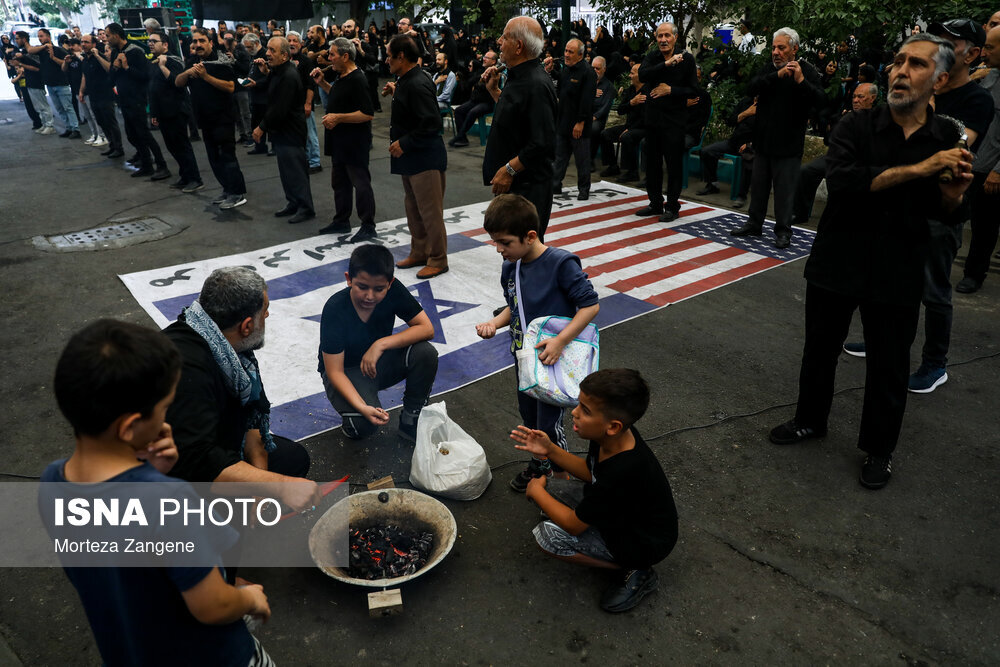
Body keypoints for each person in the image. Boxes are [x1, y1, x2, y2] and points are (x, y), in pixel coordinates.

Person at [768, 34, 973, 489]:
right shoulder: (855, 126)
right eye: (897, 61)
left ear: (938, 80)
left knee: (890, 363)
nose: (900, 70)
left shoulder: (945, 138)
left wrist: (953, 196)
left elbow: (948, 213)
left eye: (916, 64)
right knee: (820, 349)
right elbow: (843, 183)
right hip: (837, 260)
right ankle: (809, 419)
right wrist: (921, 171)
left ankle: (879, 449)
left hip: (899, 265)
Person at [44, 319, 275, 665]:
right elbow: (212, 606)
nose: (168, 422)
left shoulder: (53, 481)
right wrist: (249, 599)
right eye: (166, 407)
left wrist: (148, 473)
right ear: (129, 427)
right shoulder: (169, 502)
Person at [510, 368, 677, 612]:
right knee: (552, 490)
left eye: (585, 411)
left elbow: (573, 525)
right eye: (578, 404)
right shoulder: (614, 438)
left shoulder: (624, 470)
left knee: (548, 536)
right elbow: (591, 472)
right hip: (621, 512)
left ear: (613, 426)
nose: (574, 413)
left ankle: (635, 569)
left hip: (641, 543)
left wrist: (536, 491)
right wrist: (549, 448)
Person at [163, 268, 320, 514]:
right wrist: (277, 487)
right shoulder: (187, 370)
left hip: (219, 441)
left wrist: (260, 485)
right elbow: (198, 461)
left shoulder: (227, 347)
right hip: (174, 474)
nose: (267, 314)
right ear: (247, 325)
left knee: (293, 459)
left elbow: (251, 418)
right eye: (264, 310)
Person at [474, 194, 600, 492]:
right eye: (495, 242)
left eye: (504, 242)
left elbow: (590, 306)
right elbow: (513, 307)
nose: (499, 249)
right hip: (525, 358)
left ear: (530, 236)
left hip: (553, 360)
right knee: (529, 416)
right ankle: (541, 463)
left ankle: (560, 480)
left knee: (548, 424)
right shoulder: (512, 266)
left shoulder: (561, 263)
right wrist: (494, 322)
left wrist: (559, 341)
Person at [318, 244, 439, 441]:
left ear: (390, 283)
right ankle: (354, 418)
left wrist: (380, 344)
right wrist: (362, 407)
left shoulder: (394, 290)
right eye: (362, 287)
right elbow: (334, 371)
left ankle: (411, 417)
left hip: (377, 362)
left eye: (379, 289)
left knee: (425, 352)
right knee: (363, 425)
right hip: (345, 370)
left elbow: (426, 328)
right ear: (349, 279)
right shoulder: (335, 309)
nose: (370, 296)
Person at [730, 27, 825, 248]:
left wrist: (801, 81)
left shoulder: (807, 71)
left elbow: (820, 101)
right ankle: (754, 224)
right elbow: (750, 88)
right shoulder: (768, 70)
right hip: (763, 142)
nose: (776, 52)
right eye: (773, 48)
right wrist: (776, 75)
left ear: (794, 49)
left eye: (781, 48)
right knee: (759, 187)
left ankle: (783, 231)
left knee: (784, 192)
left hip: (789, 145)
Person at [482, 16, 557, 240]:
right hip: (515, 184)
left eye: (504, 37)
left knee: (524, 247)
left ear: (519, 46)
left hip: (528, 186)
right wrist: (494, 91)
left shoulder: (535, 83)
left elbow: (542, 141)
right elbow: (517, 119)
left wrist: (509, 170)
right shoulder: (517, 77)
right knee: (511, 246)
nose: (499, 42)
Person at [383, 34, 450, 279]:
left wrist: (405, 142)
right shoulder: (406, 80)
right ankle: (420, 251)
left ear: (402, 56)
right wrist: (395, 92)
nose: (386, 60)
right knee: (413, 208)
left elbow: (432, 123)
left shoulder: (417, 83)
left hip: (425, 159)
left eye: (390, 56)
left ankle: (438, 258)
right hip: (412, 159)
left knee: (430, 213)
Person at [176, 28, 249, 210]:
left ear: (210, 42)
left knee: (227, 156)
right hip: (204, 118)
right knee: (213, 157)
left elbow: (231, 87)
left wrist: (205, 76)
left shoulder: (221, 60)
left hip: (222, 117)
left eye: (202, 41)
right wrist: (188, 73)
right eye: (195, 41)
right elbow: (178, 82)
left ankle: (237, 193)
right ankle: (227, 189)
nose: (197, 45)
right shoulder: (193, 61)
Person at [312, 37, 376, 241]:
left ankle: (368, 224)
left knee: (360, 183)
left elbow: (367, 113)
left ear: (345, 56)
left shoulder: (358, 79)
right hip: (339, 140)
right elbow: (339, 95)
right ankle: (342, 220)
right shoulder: (342, 76)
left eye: (332, 55)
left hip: (354, 141)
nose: (328, 59)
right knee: (340, 183)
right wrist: (321, 82)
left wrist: (338, 117)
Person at [636, 22, 697, 222]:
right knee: (652, 165)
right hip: (653, 120)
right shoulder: (652, 57)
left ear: (675, 37)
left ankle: (672, 206)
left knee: (673, 166)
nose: (663, 40)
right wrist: (666, 64)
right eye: (660, 36)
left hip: (674, 121)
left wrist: (671, 90)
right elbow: (643, 75)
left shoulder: (686, 59)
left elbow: (694, 90)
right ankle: (655, 204)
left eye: (667, 36)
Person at [792, 82, 877, 225]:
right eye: (854, 97)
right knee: (806, 171)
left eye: (861, 97)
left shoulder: (877, 119)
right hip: (835, 157)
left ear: (872, 98)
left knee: (842, 178)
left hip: (858, 162)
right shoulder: (845, 116)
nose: (856, 100)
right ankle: (800, 213)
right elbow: (829, 140)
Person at [957, 24, 1000, 294]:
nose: (984, 52)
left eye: (991, 48)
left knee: (985, 225)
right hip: (966, 161)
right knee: (953, 215)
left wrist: (998, 170)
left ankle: (974, 273)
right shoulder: (983, 75)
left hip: (990, 169)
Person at [253, 36, 315, 224]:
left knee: (295, 171)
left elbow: (280, 108)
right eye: (268, 49)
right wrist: (264, 73)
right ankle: (293, 202)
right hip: (281, 131)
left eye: (272, 51)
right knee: (286, 171)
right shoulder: (278, 70)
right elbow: (270, 87)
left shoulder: (289, 75)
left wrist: (261, 127)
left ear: (285, 55)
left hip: (291, 131)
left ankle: (305, 207)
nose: (267, 54)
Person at [104, 23, 171, 180]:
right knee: (132, 135)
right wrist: (114, 67)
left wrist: (127, 67)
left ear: (116, 34)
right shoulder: (115, 53)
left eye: (108, 35)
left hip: (137, 100)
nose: (106, 39)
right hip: (124, 100)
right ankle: (146, 164)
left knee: (144, 134)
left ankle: (162, 165)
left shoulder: (135, 51)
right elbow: (111, 80)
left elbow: (145, 77)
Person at [148, 31, 203, 193]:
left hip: (176, 111)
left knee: (182, 146)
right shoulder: (154, 61)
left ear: (165, 44)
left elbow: (178, 82)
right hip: (163, 112)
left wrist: (163, 66)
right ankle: (185, 175)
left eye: (154, 41)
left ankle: (195, 178)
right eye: (149, 41)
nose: (150, 43)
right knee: (172, 147)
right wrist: (154, 113)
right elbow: (153, 90)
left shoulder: (173, 60)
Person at [549, 38, 597, 200]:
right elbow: (561, 90)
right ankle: (555, 186)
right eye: (566, 51)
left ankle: (584, 190)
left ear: (580, 55)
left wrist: (581, 122)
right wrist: (551, 71)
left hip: (579, 124)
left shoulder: (588, 72)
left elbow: (587, 100)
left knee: (582, 160)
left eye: (571, 52)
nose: (567, 54)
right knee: (560, 157)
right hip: (563, 122)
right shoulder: (566, 69)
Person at [694, 94, 757, 206]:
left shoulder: (769, 107)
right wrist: (746, 113)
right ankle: (713, 185)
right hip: (734, 142)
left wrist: (750, 144)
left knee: (748, 157)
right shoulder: (745, 102)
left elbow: (769, 132)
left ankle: (741, 196)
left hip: (751, 145)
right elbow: (730, 121)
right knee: (707, 151)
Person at [24, 27, 81, 137]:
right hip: (50, 84)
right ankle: (68, 127)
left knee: (67, 107)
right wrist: (44, 46)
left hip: (61, 84)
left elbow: (65, 64)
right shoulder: (41, 51)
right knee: (59, 108)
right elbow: (30, 50)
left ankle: (75, 129)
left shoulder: (58, 50)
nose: (40, 38)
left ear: (48, 36)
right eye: (38, 36)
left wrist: (53, 57)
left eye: (42, 36)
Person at [599, 63, 648, 182]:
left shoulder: (648, 91)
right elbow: (620, 110)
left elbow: (646, 117)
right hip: (629, 126)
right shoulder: (630, 90)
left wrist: (630, 129)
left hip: (644, 127)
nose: (630, 76)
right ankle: (613, 166)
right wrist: (632, 103)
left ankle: (632, 172)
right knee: (605, 134)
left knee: (627, 137)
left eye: (632, 73)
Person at [79, 32, 122, 156]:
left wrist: (97, 55)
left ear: (93, 44)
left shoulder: (100, 56)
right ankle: (112, 145)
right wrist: (81, 91)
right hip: (93, 96)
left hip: (105, 95)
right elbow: (84, 76)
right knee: (101, 122)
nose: (83, 44)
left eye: (86, 42)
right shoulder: (85, 60)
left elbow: (110, 69)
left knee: (110, 122)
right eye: (82, 42)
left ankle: (119, 148)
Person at [287, 31, 322, 174]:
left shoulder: (306, 61)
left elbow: (311, 85)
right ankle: (306, 160)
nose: (291, 43)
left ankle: (315, 162)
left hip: (304, 105)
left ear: (301, 44)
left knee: (310, 133)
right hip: (291, 107)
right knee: (299, 135)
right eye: (289, 40)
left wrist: (308, 104)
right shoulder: (284, 61)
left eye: (295, 40)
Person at [449, 49, 496, 147]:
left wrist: (479, 84)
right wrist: (479, 83)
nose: (484, 59)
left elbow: (486, 87)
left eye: (487, 58)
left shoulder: (495, 72)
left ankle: (459, 136)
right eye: (484, 57)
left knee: (473, 112)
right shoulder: (481, 71)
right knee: (458, 111)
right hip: (475, 101)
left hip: (487, 103)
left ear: (493, 61)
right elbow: (471, 83)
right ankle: (463, 139)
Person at [590, 56, 615, 168]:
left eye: (598, 68)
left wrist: (594, 117)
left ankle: (590, 159)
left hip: (598, 118)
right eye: (593, 68)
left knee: (593, 128)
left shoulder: (609, 87)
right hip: (584, 114)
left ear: (604, 69)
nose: (595, 71)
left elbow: (605, 108)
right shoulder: (587, 82)